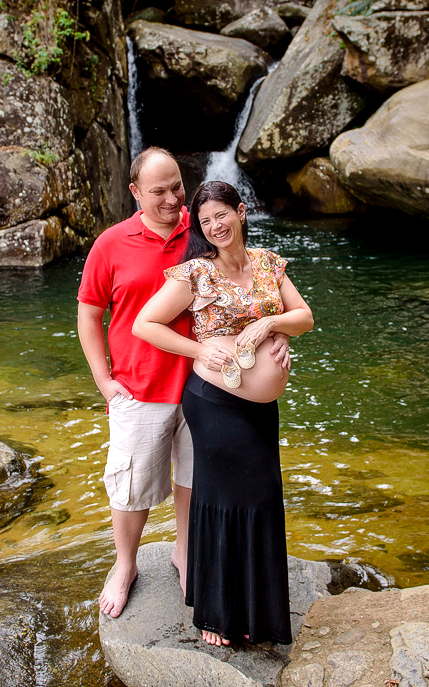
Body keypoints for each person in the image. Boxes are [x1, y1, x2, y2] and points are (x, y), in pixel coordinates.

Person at [77, 150, 289, 619]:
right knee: (131, 487)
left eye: (177, 186)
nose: (174, 198)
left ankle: (184, 551)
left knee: (195, 482)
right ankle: (125, 565)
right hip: (139, 387)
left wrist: (275, 334)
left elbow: (245, 293)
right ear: (135, 193)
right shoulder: (111, 244)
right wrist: (104, 382)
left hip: (208, 393)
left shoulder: (203, 231)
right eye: (160, 191)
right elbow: (89, 315)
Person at [133, 181, 314, 647]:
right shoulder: (194, 273)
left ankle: (259, 613)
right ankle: (216, 614)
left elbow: (305, 317)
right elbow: (144, 324)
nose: (215, 227)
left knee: (262, 500)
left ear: (241, 211)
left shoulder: (270, 264)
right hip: (214, 402)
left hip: (261, 409)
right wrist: (200, 348)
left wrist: (271, 324)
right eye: (206, 220)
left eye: (222, 216)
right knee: (223, 500)